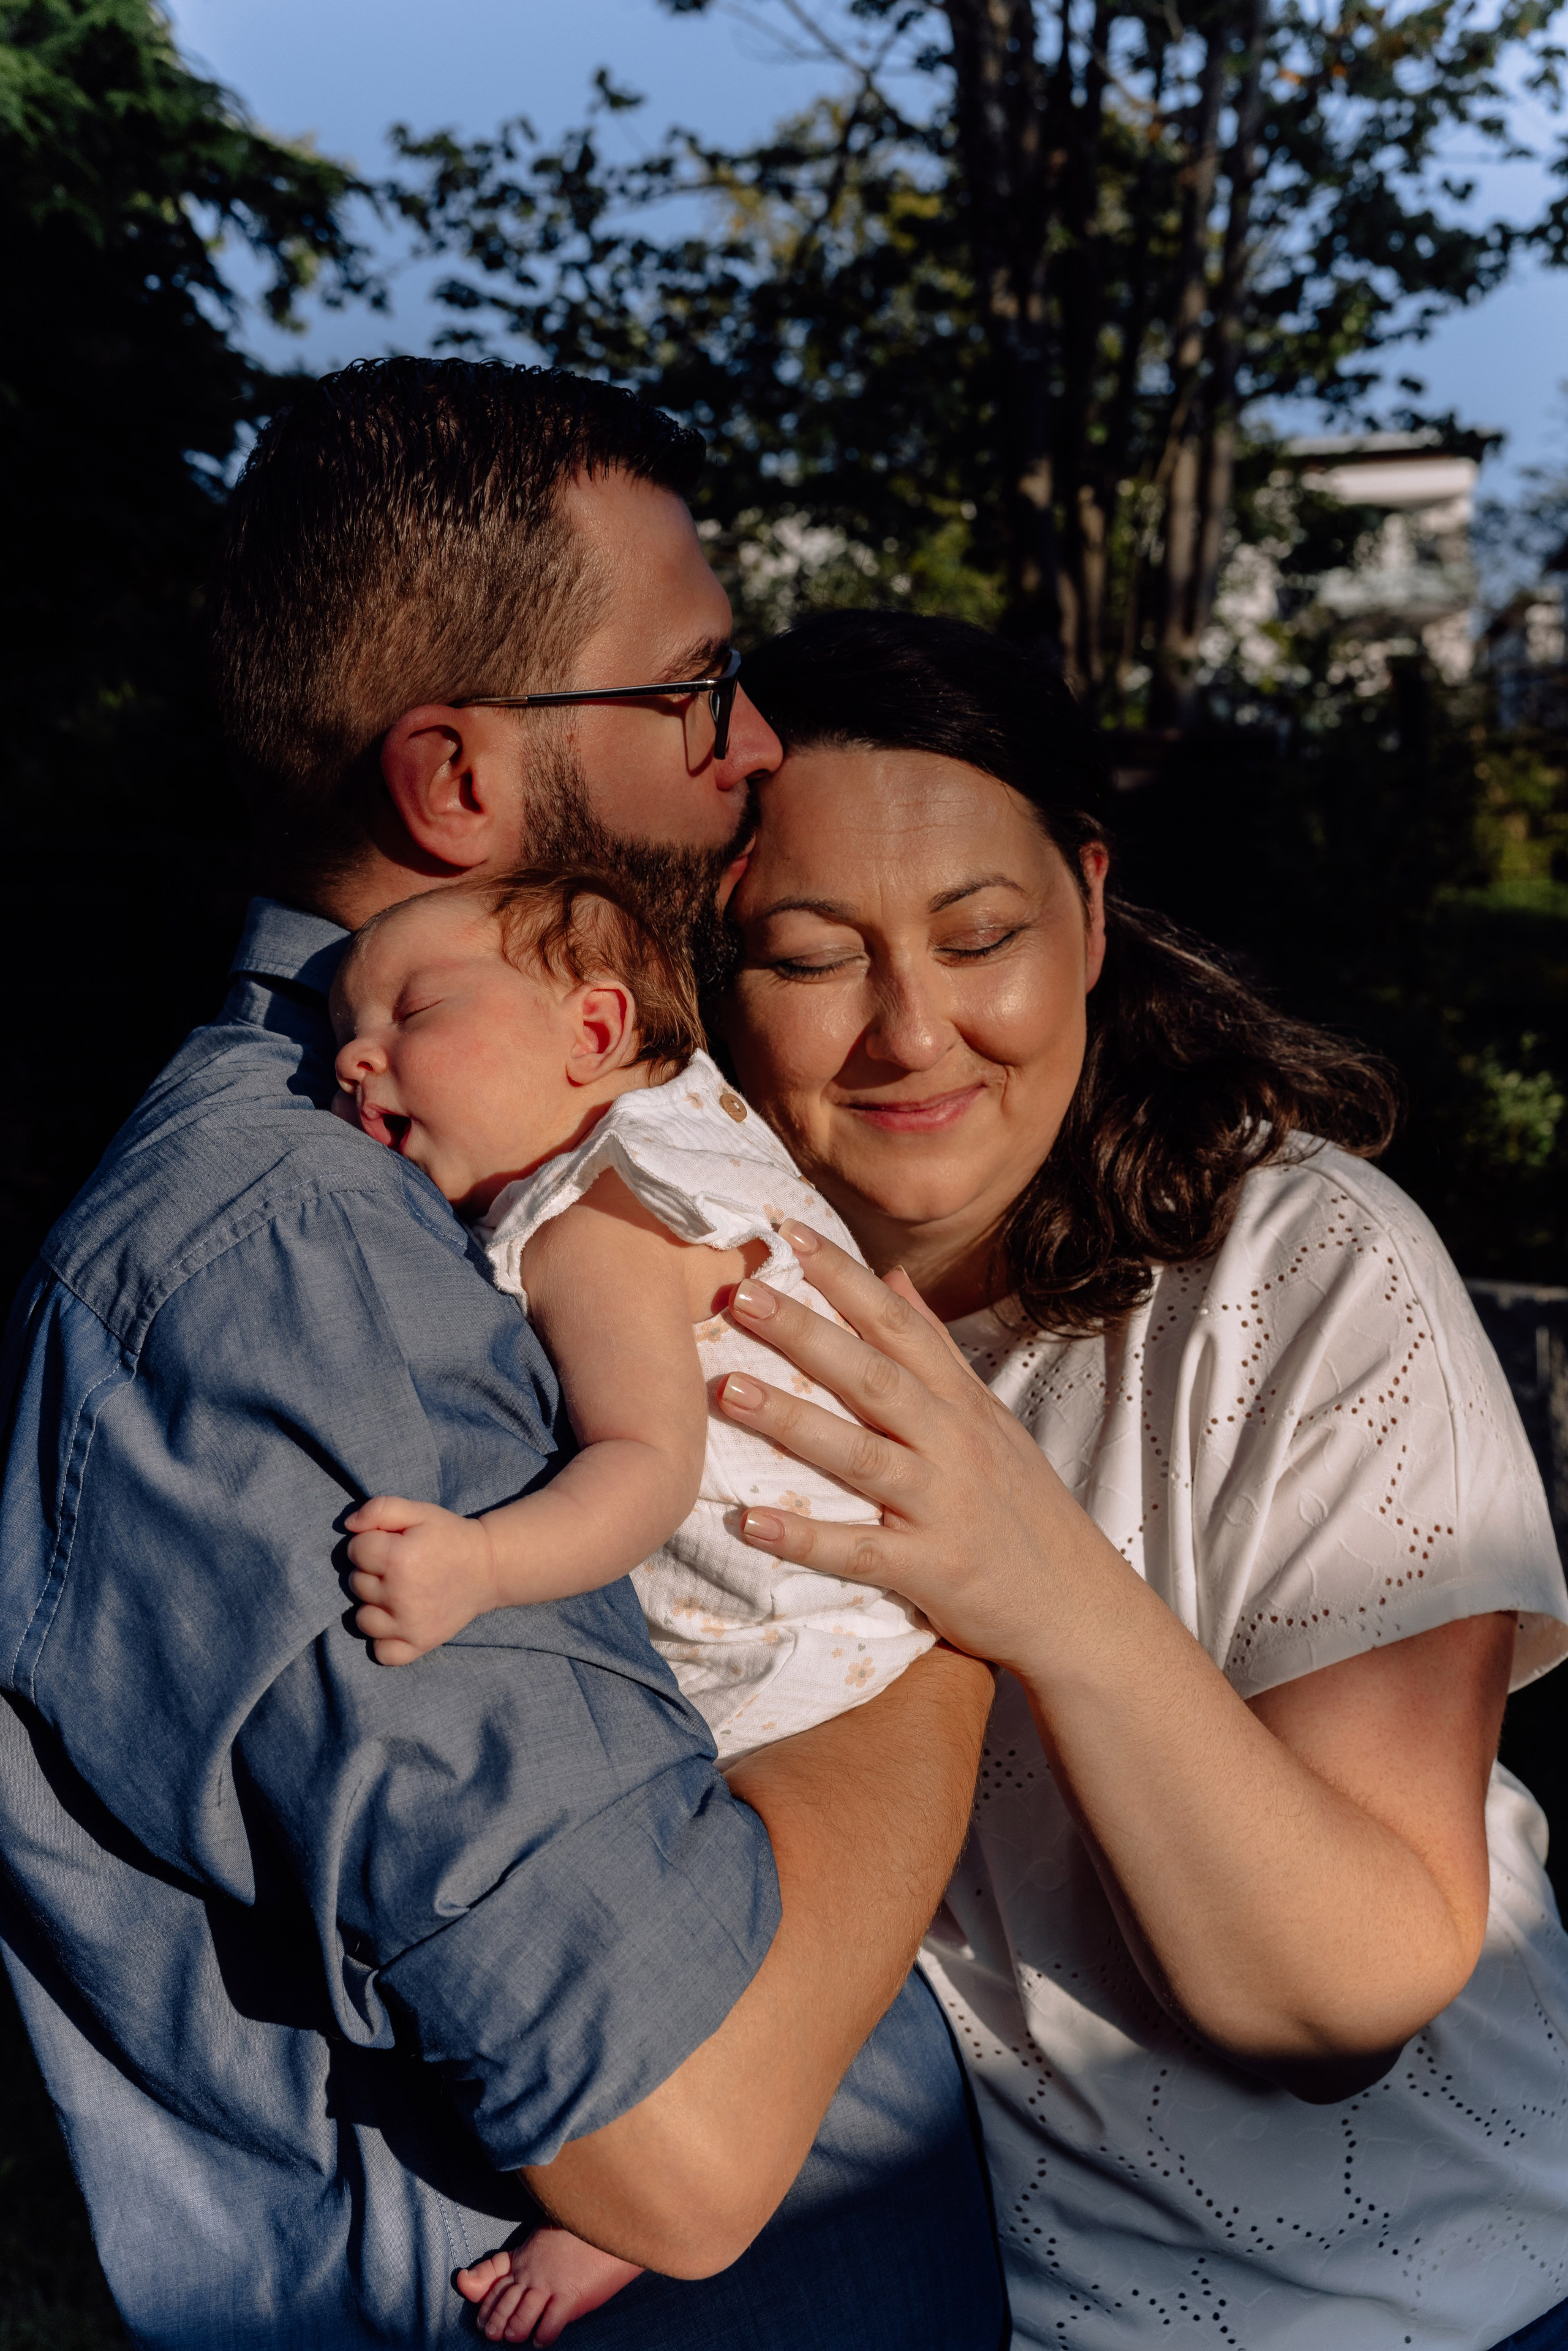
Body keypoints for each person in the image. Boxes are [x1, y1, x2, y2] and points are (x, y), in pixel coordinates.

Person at [0, 369, 1006, 2349]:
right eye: (696, 690)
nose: (758, 746)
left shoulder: (514, 1147)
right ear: (457, 781)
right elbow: (686, 2148)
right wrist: (970, 1609)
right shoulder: (307, 1252)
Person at [695, 608, 1568, 2351]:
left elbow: (1343, 1988)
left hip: (1427, 2302)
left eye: (980, 935)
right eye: (810, 954)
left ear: (1090, 911)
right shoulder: (678, 1318)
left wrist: (1037, 1575)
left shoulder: (1307, 1275)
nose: (911, 1031)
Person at [330, 868, 935, 2341]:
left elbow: (646, 1469)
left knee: (740, 1963)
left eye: (414, 1012)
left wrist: (479, 1563)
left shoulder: (593, 1221)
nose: (355, 1055)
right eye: (348, 1028)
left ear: (594, 1027)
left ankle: (630, 2223)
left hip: (789, 1651)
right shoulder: (699, 1123)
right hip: (871, 1611)